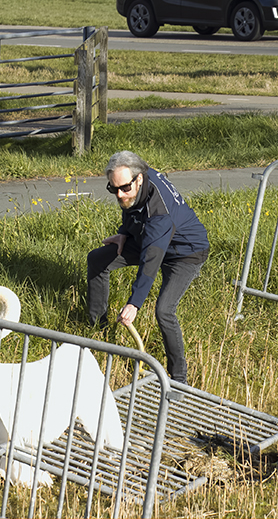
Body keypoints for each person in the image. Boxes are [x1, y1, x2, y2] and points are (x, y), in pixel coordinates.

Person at [87, 151, 209, 384]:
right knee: (97, 259)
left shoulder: (159, 212)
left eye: (124, 188)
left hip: (185, 253)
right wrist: (124, 233)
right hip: (151, 237)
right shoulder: (137, 178)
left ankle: (179, 378)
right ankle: (98, 334)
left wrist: (134, 303)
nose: (120, 195)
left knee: (164, 311)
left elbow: (150, 262)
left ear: (139, 179)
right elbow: (131, 207)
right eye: (114, 189)